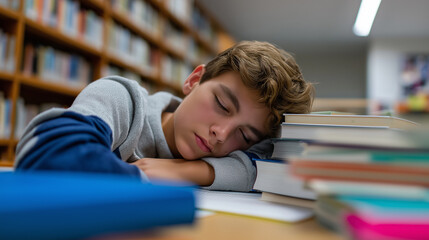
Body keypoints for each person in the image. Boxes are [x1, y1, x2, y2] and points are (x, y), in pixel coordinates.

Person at [14, 41, 314, 191]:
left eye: (245, 135)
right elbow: (49, 152)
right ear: (194, 80)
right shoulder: (123, 100)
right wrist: (143, 177)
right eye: (222, 104)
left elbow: (273, 167)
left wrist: (191, 172)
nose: (221, 134)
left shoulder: (235, 152)